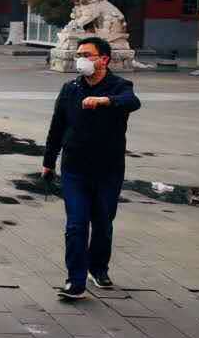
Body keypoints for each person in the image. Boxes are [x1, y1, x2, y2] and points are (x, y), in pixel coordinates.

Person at [41, 35, 142, 299]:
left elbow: (132, 102)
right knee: (76, 224)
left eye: (86, 55)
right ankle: (75, 281)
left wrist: (105, 100)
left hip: (108, 169)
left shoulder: (119, 86)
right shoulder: (71, 88)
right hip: (75, 168)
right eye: (79, 55)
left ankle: (98, 269)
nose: (81, 60)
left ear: (103, 59)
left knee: (103, 223)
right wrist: (48, 162)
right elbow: (57, 127)